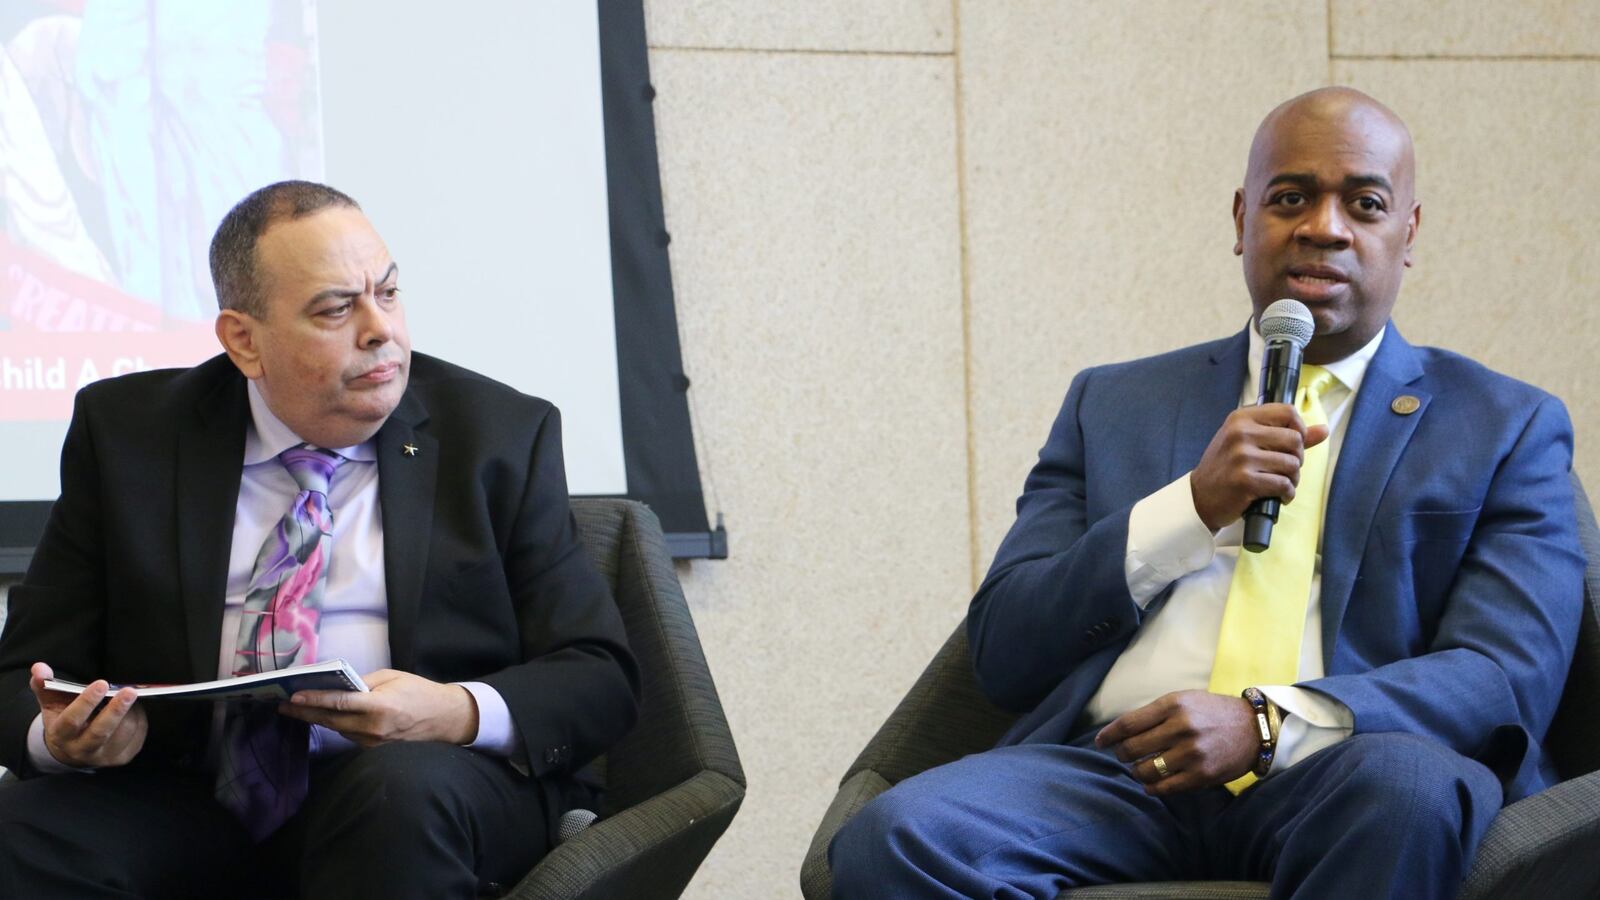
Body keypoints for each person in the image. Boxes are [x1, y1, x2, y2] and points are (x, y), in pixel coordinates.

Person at [830, 87, 1584, 898]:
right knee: (897, 838)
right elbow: (1005, 652)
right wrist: (1188, 508)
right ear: (1241, 220)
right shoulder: (1112, 405)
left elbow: (1505, 675)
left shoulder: (1504, 423)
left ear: (1408, 233)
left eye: (1363, 203)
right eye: (1290, 197)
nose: (1324, 226)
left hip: (1347, 772)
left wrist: (1265, 724)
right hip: (1119, 773)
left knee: (1407, 791)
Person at [0, 180, 641, 899]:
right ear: (244, 340)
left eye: (389, 294)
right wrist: (61, 739)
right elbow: (23, 670)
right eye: (337, 308)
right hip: (185, 789)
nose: (381, 330)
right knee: (17, 832)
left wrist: (453, 710)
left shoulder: (497, 435)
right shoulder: (128, 436)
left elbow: (598, 673)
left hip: (416, 781)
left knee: (396, 798)